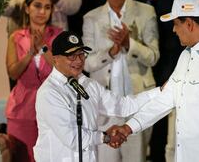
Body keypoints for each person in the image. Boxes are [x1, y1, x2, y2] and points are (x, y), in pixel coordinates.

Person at [112, 0, 199, 162]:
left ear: (190, 24)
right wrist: (128, 127)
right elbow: (166, 98)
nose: (174, 30)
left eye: (176, 24)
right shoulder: (186, 56)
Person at [33, 31, 158, 162]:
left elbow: (123, 106)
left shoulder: (88, 84)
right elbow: (74, 138)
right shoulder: (49, 92)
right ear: (55, 59)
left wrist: (160, 92)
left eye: (81, 54)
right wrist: (106, 137)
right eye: (71, 56)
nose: (79, 60)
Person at [82, 0, 160, 162]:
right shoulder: (91, 18)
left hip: (137, 100)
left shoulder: (146, 12)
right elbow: (87, 64)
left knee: (137, 157)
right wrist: (112, 51)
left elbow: (153, 57)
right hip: (105, 103)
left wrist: (129, 44)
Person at [5, 0, 62, 162]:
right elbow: (13, 73)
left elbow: (64, 70)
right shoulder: (16, 37)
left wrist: (44, 47)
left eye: (47, 7)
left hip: (53, 107)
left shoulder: (59, 35)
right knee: (23, 157)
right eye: (37, 6)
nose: (42, 11)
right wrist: (30, 52)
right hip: (22, 109)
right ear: (27, 8)